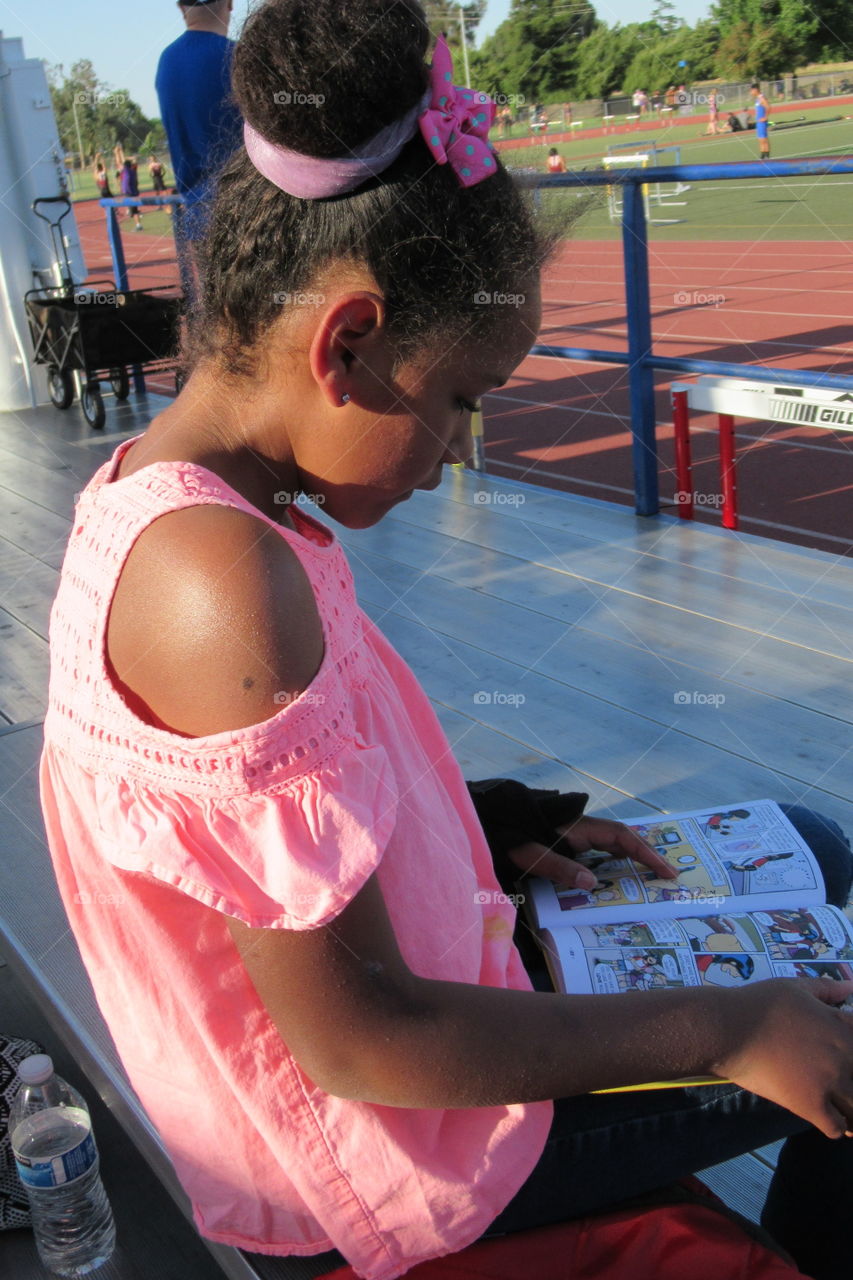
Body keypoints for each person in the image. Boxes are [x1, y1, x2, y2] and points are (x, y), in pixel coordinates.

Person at [39, 4, 853, 1280]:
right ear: (347, 342)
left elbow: (250, 867)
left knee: (813, 849)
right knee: (829, 1028)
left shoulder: (195, 502)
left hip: (415, 993)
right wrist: (728, 1026)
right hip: (378, 1153)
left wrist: (486, 817)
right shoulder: (218, 582)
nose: (462, 453)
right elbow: (364, 1041)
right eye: (461, 404)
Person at [155, 0, 242, 242]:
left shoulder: (167, 61)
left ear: (182, 9)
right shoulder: (238, 56)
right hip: (249, 205)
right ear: (229, 4)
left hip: (199, 211)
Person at [119, 157, 143, 230]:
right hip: (134, 192)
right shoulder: (133, 171)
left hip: (130, 193)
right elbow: (134, 163)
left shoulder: (126, 171)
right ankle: (138, 224)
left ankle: (138, 223)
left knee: (133, 211)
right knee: (134, 210)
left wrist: (118, 152)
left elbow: (120, 162)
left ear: (125, 166)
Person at [751, 82, 771, 158]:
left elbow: (768, 107)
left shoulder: (762, 98)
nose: (751, 92)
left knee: (764, 139)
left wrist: (765, 117)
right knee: (760, 139)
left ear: (756, 90)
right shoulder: (757, 99)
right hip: (758, 122)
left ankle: (767, 156)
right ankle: (762, 155)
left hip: (762, 122)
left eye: (752, 90)